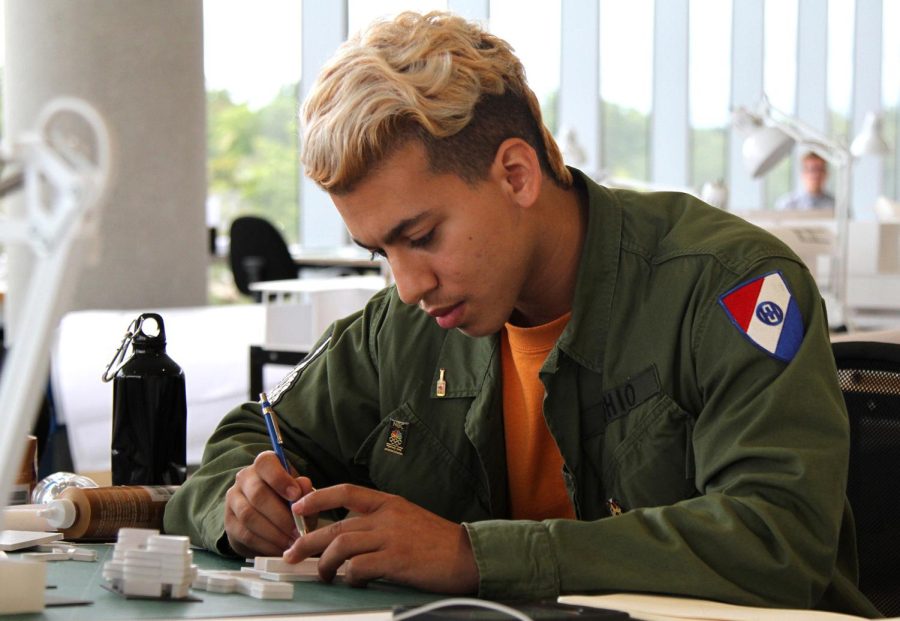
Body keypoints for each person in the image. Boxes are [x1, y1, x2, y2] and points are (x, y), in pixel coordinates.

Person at [164, 11, 877, 616]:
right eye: (381, 251)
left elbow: (778, 538)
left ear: (516, 173)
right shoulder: (403, 327)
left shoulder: (733, 288)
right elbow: (248, 439)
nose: (408, 283)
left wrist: (473, 555)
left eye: (422, 236)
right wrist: (238, 498)